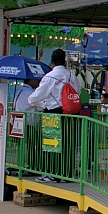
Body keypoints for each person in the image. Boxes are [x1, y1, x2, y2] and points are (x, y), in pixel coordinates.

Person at [27, 49, 80, 183]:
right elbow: (78, 92)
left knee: (52, 144)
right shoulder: (72, 77)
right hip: (71, 114)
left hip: (53, 113)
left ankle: (52, 173)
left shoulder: (49, 77)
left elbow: (35, 97)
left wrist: (40, 104)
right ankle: (68, 172)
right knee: (69, 144)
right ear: (65, 61)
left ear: (51, 62)